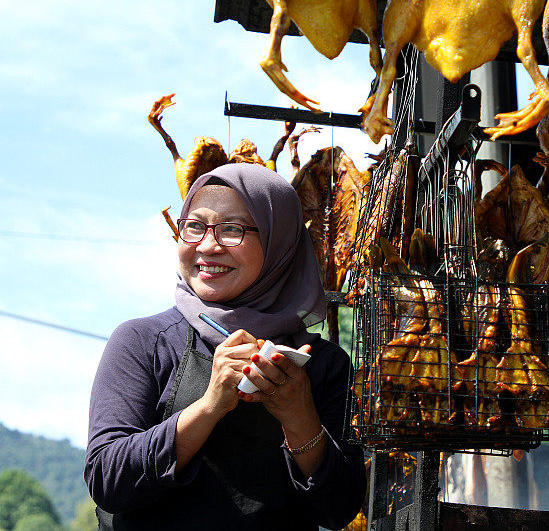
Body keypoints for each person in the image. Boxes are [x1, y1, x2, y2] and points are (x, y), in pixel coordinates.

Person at [84, 163, 366, 530]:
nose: (208, 245)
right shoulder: (144, 342)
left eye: (232, 229)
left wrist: (298, 414)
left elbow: (339, 509)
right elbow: (108, 480)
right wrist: (210, 405)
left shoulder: (323, 365)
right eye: (194, 226)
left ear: (279, 241)